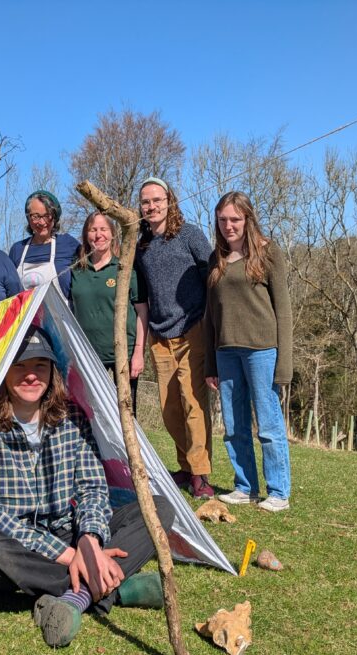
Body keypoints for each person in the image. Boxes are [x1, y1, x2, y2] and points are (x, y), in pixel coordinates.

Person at [0, 327, 175, 648]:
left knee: (159, 508)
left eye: (40, 365)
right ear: (4, 370)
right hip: (14, 545)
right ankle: (115, 588)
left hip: (68, 532)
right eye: (20, 366)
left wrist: (90, 542)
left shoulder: (72, 417)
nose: (30, 376)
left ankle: (75, 597)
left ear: (52, 371)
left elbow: (93, 487)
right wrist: (69, 556)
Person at [203, 191, 293, 513]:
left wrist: (285, 364)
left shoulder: (269, 253)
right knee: (234, 425)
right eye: (223, 219)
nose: (229, 225)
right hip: (226, 351)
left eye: (235, 219)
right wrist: (209, 363)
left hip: (262, 351)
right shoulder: (216, 259)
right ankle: (245, 487)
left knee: (268, 425)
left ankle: (279, 492)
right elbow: (210, 315)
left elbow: (283, 310)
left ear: (248, 219)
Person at [135, 177, 215, 498]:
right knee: (169, 408)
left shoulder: (190, 235)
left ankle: (201, 475)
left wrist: (213, 323)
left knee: (193, 402)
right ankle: (185, 464)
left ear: (170, 201)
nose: (151, 206)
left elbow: (213, 274)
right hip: (160, 333)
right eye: (145, 202)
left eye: (157, 200)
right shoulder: (141, 244)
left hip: (193, 327)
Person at [70, 212, 149, 414]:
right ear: (86, 234)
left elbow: (142, 311)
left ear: (113, 234)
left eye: (103, 229)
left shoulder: (124, 268)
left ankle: (128, 447)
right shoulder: (77, 269)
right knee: (93, 412)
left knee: (126, 411)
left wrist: (139, 353)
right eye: (93, 230)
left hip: (123, 354)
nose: (98, 235)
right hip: (88, 354)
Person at [8, 190, 81, 298]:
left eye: (47, 215)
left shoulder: (68, 244)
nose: (42, 222)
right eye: (36, 216)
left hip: (61, 314)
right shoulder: (17, 249)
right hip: (27, 314)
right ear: (28, 218)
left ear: (55, 217)